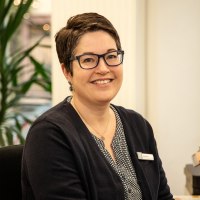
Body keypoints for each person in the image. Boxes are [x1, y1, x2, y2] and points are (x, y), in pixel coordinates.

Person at [21, 12, 174, 200]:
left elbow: (163, 196)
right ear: (67, 71)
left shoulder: (138, 125)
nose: (103, 68)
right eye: (88, 60)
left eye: (111, 56)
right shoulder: (50, 134)